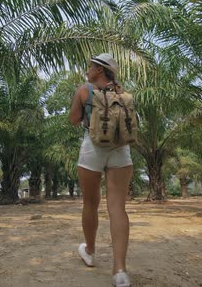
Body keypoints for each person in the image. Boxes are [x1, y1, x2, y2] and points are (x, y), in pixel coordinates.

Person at [68, 53, 133, 287]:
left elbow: (73, 120)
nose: (87, 70)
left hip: (92, 148)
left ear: (99, 70)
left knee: (90, 204)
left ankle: (91, 251)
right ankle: (120, 271)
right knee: (117, 208)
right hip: (120, 150)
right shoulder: (122, 92)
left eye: (90, 67)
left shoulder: (84, 90)